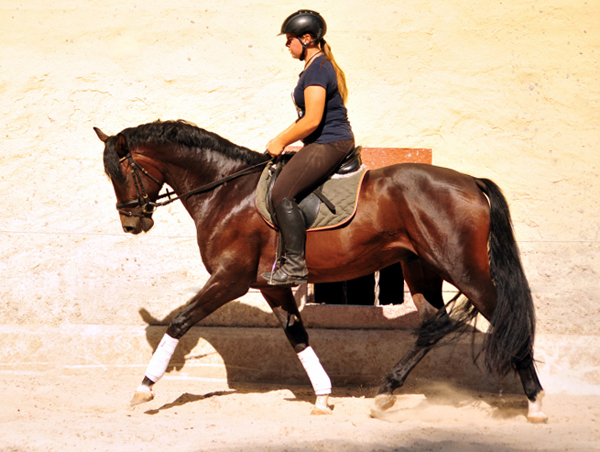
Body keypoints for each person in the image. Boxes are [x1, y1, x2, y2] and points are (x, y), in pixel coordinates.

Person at [262, 10, 355, 286]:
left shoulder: (317, 69)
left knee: (282, 193)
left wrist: (280, 141)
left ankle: (294, 267)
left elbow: (313, 120)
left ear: (307, 38)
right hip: (322, 142)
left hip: (330, 142)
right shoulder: (316, 67)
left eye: (290, 39)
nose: (287, 45)